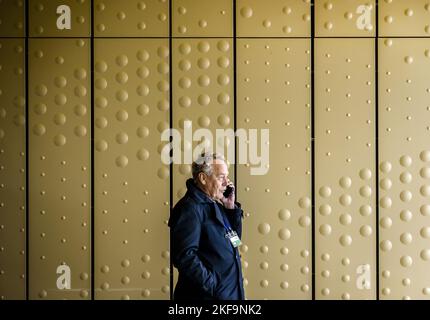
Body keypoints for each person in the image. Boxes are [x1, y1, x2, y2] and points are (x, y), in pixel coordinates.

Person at [168, 153, 245, 300]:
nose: (227, 183)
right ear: (203, 178)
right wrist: (213, 286)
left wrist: (230, 209)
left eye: (226, 177)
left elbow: (235, 243)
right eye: (221, 177)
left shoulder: (215, 205)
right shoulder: (190, 208)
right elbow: (184, 256)